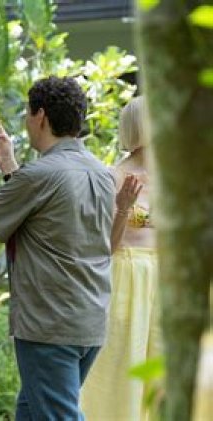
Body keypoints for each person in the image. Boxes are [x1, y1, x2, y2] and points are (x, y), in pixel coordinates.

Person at [0, 76, 115, 420]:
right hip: (89, 320)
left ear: (40, 116)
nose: (26, 121)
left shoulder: (40, 174)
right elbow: (46, 214)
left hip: (50, 324)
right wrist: (9, 166)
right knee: (30, 412)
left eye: (28, 113)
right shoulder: (102, 172)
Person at [80, 96, 161, 421]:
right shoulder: (112, 176)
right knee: (121, 365)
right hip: (126, 278)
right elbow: (105, 246)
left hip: (165, 280)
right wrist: (124, 209)